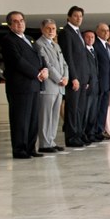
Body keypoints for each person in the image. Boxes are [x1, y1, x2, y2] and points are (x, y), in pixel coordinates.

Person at [2, 11, 48, 158]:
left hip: (34, 85)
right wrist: (37, 73)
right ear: (10, 25)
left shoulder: (28, 38)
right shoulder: (8, 40)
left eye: (21, 20)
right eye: (15, 21)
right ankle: (20, 149)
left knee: (33, 118)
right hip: (20, 87)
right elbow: (18, 61)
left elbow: (39, 56)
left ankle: (30, 148)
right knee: (21, 119)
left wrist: (45, 69)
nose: (19, 23)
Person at [58, 5, 92, 147]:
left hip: (83, 77)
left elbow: (83, 57)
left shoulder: (78, 32)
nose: (78, 18)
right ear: (69, 17)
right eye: (75, 16)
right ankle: (71, 138)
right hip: (75, 78)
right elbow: (68, 57)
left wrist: (86, 77)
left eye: (80, 16)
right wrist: (74, 77)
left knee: (80, 109)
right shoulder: (66, 32)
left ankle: (79, 134)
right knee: (72, 109)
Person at [34, 19, 68, 153]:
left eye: (53, 29)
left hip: (60, 86)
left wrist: (65, 77)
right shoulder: (39, 44)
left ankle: (51, 141)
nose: (51, 31)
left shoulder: (56, 45)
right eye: (48, 28)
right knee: (45, 115)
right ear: (42, 29)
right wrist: (59, 78)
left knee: (54, 116)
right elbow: (47, 64)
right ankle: (44, 144)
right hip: (48, 86)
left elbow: (64, 64)